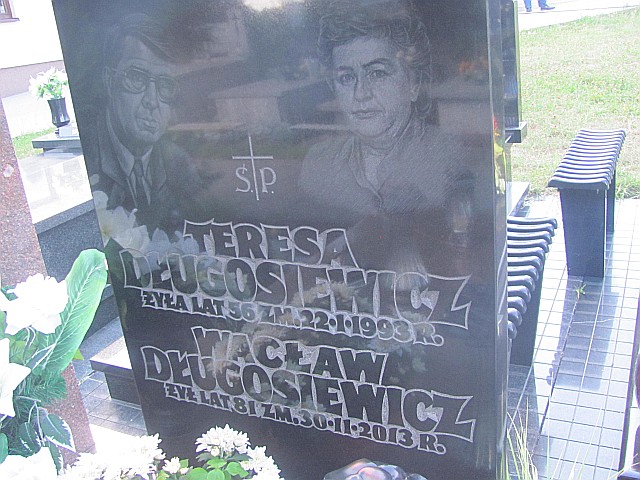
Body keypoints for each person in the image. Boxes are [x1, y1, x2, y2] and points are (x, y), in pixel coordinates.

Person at [300, 0, 475, 272]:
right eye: (346, 78)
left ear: (414, 82)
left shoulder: (448, 159)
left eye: (377, 73)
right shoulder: (318, 166)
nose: (361, 94)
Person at [86, 13, 199, 233]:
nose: (152, 101)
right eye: (136, 77)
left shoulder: (180, 164)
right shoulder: (89, 157)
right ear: (109, 81)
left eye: (165, 85)